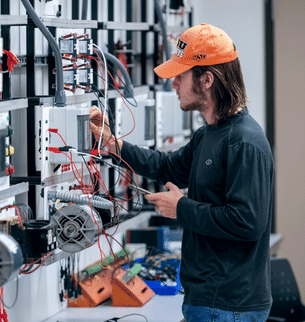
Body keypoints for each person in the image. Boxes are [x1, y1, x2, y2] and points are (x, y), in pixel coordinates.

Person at [90, 23, 274, 321]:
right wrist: (113, 144)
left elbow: (247, 222)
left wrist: (182, 208)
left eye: (180, 75)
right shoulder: (210, 134)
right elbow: (167, 167)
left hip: (226, 305)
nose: (173, 84)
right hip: (208, 299)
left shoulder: (244, 142)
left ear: (207, 79)